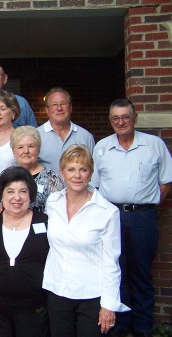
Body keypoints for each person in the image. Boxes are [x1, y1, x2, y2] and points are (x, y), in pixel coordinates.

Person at [91, 98, 172, 337]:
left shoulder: (154, 145)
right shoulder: (102, 147)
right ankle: (120, 328)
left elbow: (166, 181)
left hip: (143, 219)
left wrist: (151, 204)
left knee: (141, 274)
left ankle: (143, 329)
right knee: (115, 272)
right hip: (112, 218)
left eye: (125, 116)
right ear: (110, 121)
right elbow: (94, 186)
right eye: (116, 118)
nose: (121, 122)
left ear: (134, 118)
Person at [43, 145, 129, 337]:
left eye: (83, 169)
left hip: (91, 295)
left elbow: (111, 262)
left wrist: (108, 304)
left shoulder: (107, 212)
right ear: (62, 173)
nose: (77, 175)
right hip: (57, 291)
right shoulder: (52, 202)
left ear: (91, 173)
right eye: (71, 169)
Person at [0, 166, 49, 337]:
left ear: (30, 195)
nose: (17, 197)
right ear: (2, 195)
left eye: (23, 191)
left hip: (34, 308)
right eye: (10, 191)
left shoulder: (44, 222)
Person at [37, 87, 95, 177]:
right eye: (54, 105)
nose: (59, 108)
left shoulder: (86, 136)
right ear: (47, 110)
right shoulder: (36, 136)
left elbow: (93, 170)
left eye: (63, 104)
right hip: (47, 191)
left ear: (70, 107)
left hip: (78, 190)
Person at [11, 126, 63, 213]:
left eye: (31, 146)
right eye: (20, 147)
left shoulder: (51, 178)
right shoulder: (7, 176)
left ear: (38, 149)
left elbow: (59, 210)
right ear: (13, 152)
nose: (26, 151)